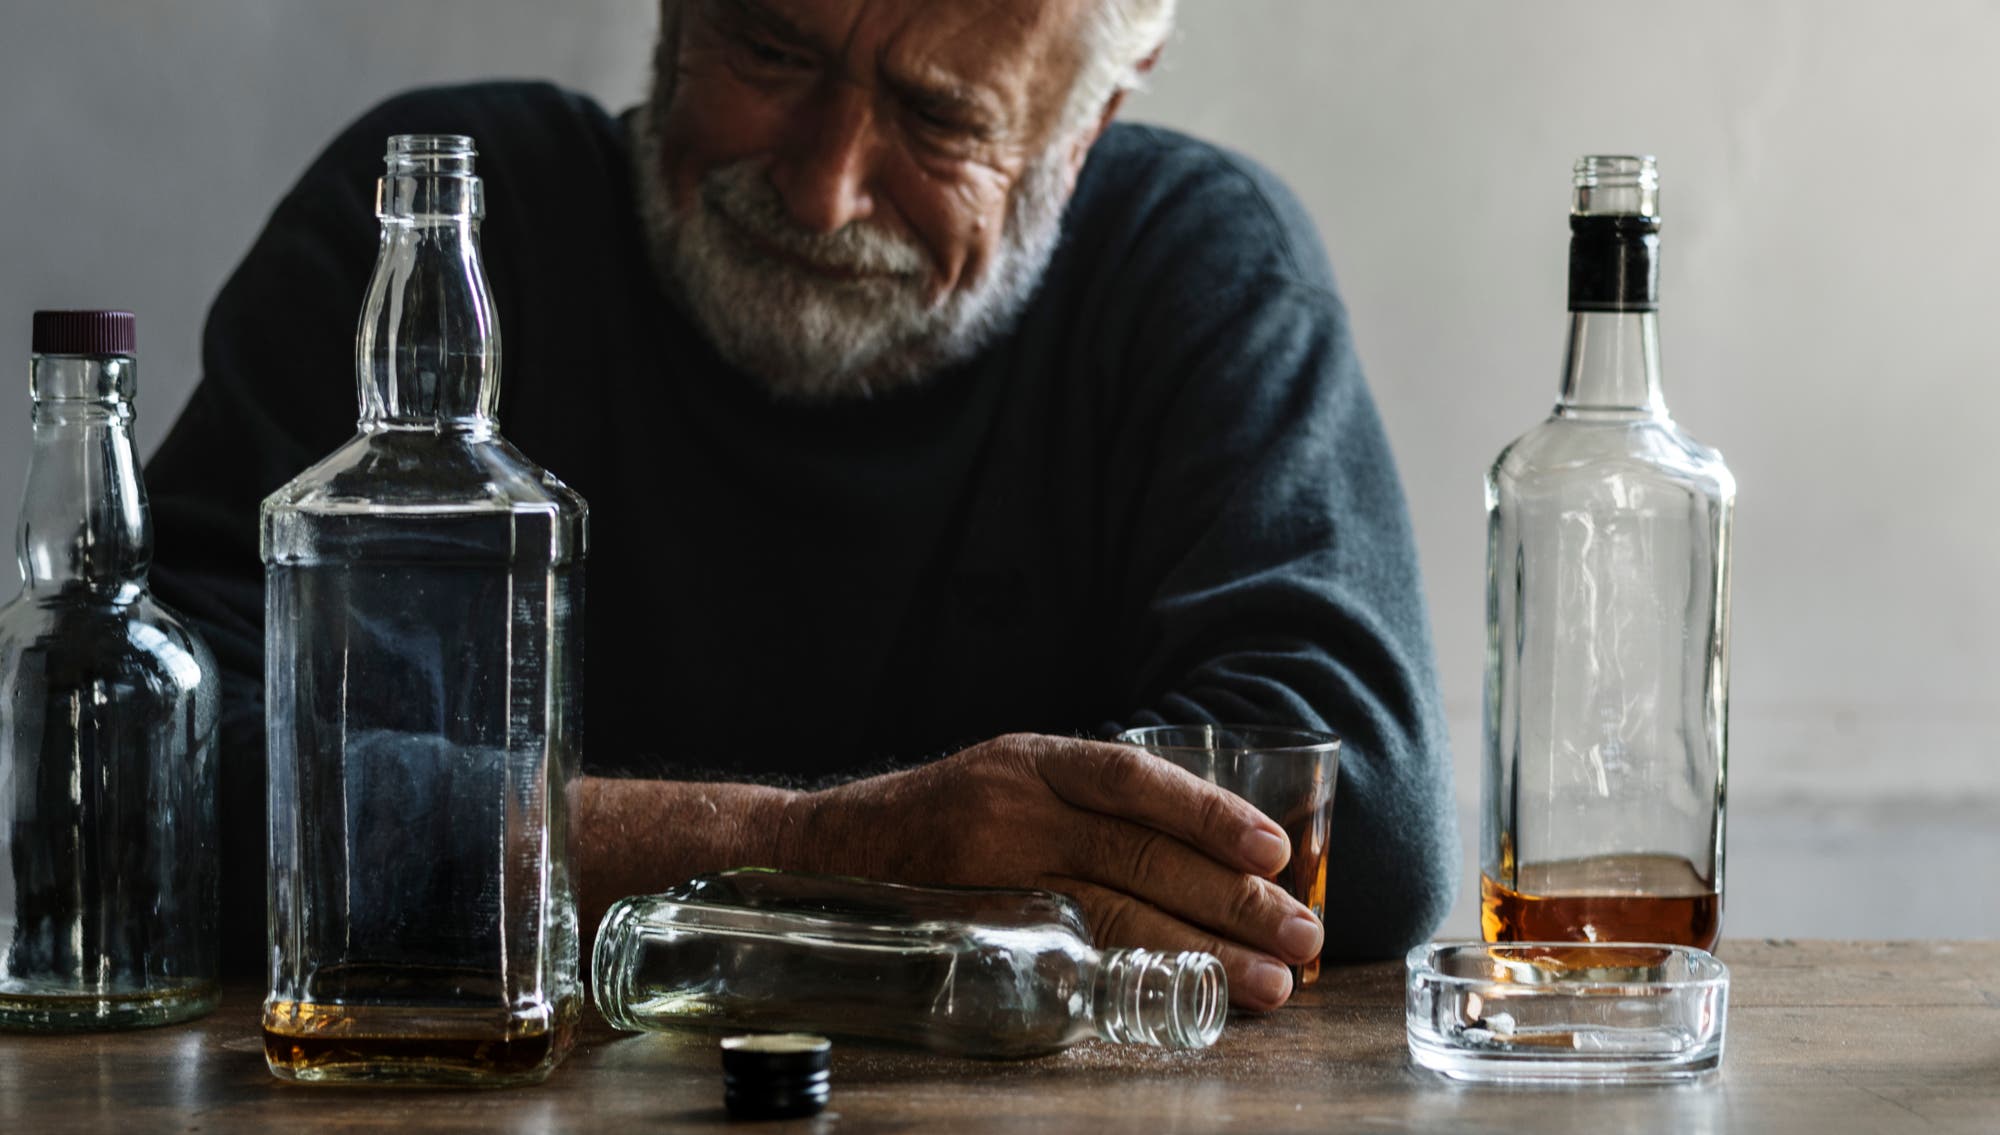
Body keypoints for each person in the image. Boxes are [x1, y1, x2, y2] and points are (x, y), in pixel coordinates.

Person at [145, 0, 1457, 1011]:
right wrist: (836, 849)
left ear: (1090, 117)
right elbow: (136, 772)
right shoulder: (441, 228)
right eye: (770, 52)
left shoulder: (1192, 266)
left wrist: (543, 853)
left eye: (940, 121)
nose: (822, 186)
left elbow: (1359, 824)